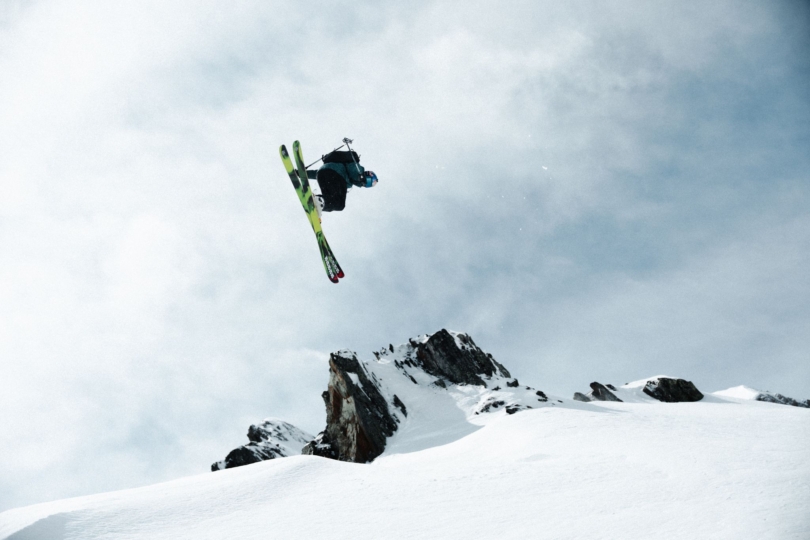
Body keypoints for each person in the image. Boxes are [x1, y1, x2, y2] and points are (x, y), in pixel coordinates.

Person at [307, 149, 378, 213]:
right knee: (340, 204)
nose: (365, 185)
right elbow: (353, 170)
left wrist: (303, 174)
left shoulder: (347, 176)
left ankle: (317, 202)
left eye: (368, 185)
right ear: (367, 176)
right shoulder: (358, 170)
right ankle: (318, 202)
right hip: (335, 175)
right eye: (368, 182)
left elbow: (320, 172)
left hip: (322, 174)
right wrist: (361, 178)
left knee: (330, 198)